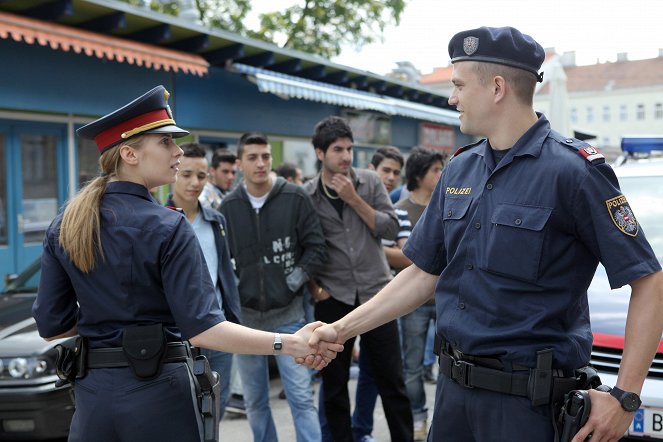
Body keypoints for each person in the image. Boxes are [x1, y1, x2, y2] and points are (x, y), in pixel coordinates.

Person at [308, 26, 663, 442]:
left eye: (458, 85)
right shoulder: (459, 168)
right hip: (454, 396)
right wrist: (341, 329)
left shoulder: (574, 172)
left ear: (497, 88)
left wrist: (625, 396)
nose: (451, 98)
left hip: (528, 408)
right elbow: (424, 274)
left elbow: (649, 279)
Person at [32, 85, 341, 442]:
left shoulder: (66, 223)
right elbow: (204, 328)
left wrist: (106, 330)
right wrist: (290, 343)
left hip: (93, 399)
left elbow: (52, 326)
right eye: (165, 142)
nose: (178, 152)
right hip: (159, 395)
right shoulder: (167, 224)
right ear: (130, 153)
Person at [303, 116, 413, 442]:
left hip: (377, 294)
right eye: (338, 149)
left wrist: (354, 199)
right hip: (333, 297)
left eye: (349, 149)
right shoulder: (307, 195)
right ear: (320, 153)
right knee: (334, 386)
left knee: (391, 380)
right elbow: (303, 248)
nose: (346, 156)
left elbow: (390, 229)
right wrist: (316, 291)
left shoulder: (369, 182)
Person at [220, 132, 327, 442]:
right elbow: (222, 260)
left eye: (265, 156)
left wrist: (291, 281)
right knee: (254, 401)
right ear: (240, 163)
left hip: (290, 314)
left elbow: (316, 247)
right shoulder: (228, 207)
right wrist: (237, 288)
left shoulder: (294, 197)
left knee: (300, 397)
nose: (261, 163)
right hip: (247, 321)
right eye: (252, 157)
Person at [165, 142, 242, 421]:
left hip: (219, 328)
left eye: (201, 176)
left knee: (215, 412)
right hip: (178, 336)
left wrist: (234, 317)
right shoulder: (159, 221)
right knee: (184, 415)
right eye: (186, 174)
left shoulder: (216, 221)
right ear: (173, 172)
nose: (194, 182)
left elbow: (225, 272)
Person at [346, 145, 411, 442]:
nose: (390, 177)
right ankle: (360, 431)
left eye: (396, 173)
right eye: (385, 170)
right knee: (354, 378)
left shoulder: (396, 211)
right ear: (371, 170)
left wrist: (371, 249)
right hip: (344, 295)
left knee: (386, 376)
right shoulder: (344, 204)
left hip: (385, 297)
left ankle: (371, 432)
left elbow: (406, 256)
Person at [394, 147, 444, 440]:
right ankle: (418, 417)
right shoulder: (401, 208)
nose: (440, 174)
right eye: (435, 170)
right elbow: (397, 255)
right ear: (418, 174)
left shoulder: (450, 203)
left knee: (449, 367)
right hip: (413, 301)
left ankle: (442, 420)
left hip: (448, 300)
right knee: (412, 366)